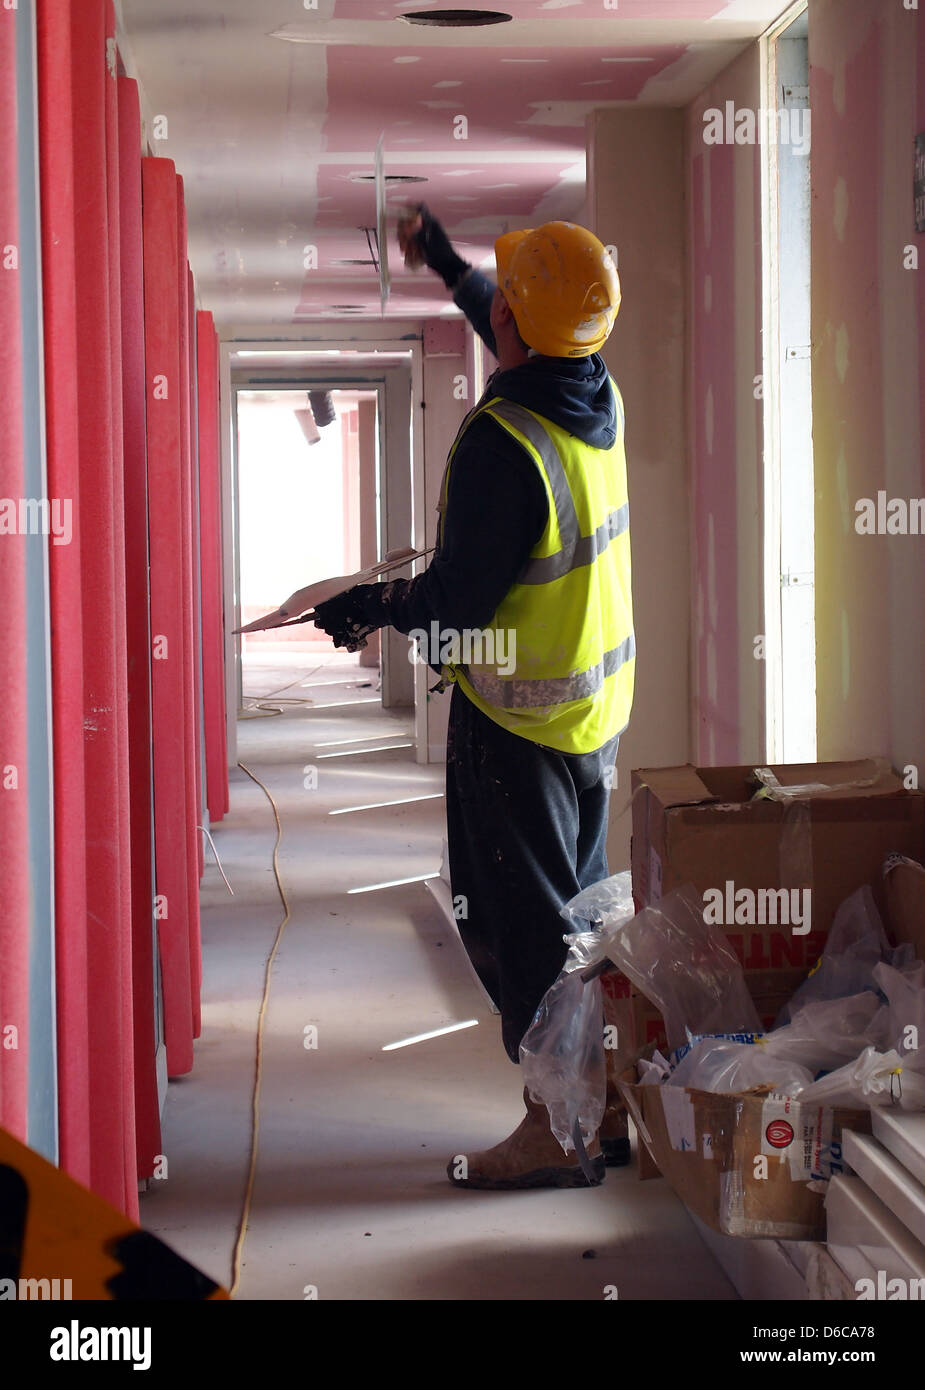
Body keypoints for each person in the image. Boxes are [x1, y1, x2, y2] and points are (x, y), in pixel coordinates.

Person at [312, 208, 635, 1189]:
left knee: (521, 927)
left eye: (502, 298)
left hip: (517, 723)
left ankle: (554, 1128)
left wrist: (368, 605)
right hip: (592, 716)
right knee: (578, 919)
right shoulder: (592, 390)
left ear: (516, 331)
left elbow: (455, 604)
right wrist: (445, 264)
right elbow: (517, 317)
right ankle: (603, 1105)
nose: (492, 308)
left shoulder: (506, 442)